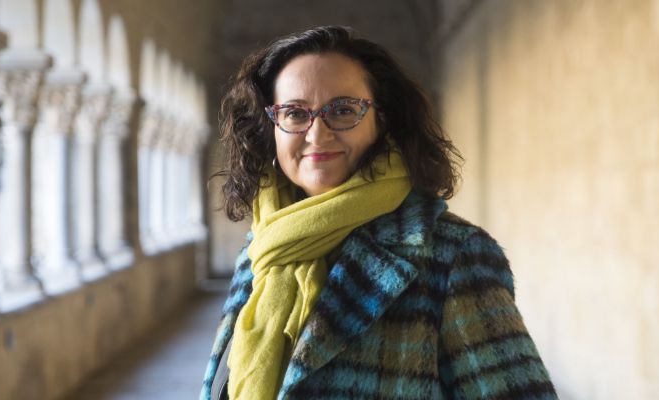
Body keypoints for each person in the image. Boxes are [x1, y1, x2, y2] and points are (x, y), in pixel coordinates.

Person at [201, 26, 557, 400]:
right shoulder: (262, 245)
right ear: (270, 125)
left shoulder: (453, 256)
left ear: (382, 119)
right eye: (294, 113)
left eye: (343, 110)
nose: (317, 134)